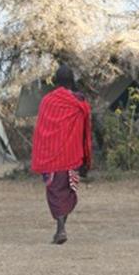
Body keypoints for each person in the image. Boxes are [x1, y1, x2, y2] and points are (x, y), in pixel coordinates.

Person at [30, 64, 92, 244]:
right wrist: (85, 157)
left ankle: (60, 229)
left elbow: (42, 131)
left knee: (55, 193)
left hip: (51, 158)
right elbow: (84, 131)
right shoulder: (79, 102)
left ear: (56, 81)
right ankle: (61, 229)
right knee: (67, 192)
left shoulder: (47, 101)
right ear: (72, 81)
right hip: (72, 156)